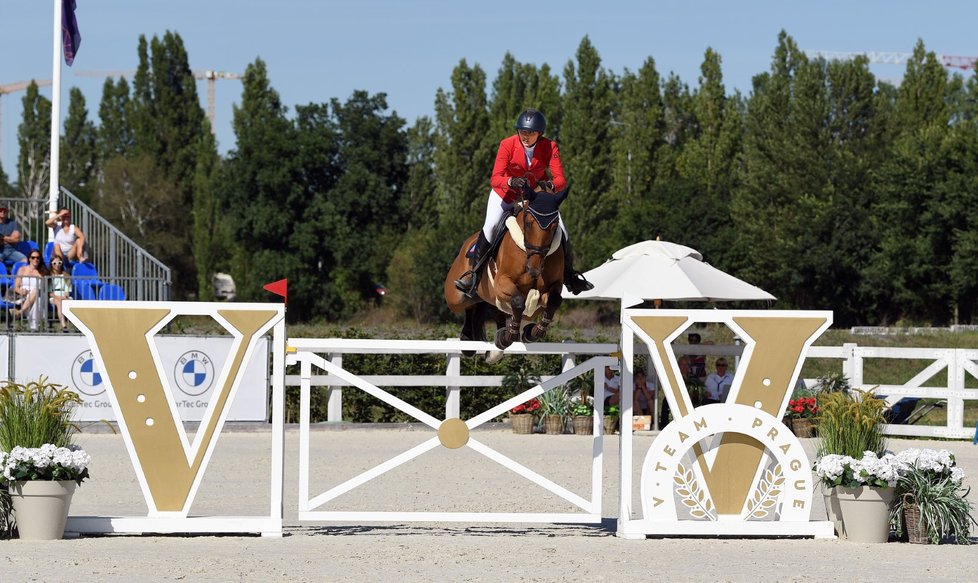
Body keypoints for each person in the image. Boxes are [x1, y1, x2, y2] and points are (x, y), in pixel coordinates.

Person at [454, 109, 593, 297]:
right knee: (491, 226)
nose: (525, 136)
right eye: (522, 132)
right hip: (505, 195)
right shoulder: (507, 144)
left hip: (534, 198)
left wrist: (550, 184)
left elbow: (561, 180)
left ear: (539, 134)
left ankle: (570, 277)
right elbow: (495, 178)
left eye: (530, 133)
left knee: (563, 231)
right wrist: (510, 181)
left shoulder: (550, 147)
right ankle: (474, 276)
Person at [9, 250, 45, 331]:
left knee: (36, 291)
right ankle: (34, 328)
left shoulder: (42, 271)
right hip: (23, 294)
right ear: (29, 259)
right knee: (37, 301)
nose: (35, 259)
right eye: (33, 257)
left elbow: (42, 287)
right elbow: (16, 286)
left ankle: (20, 312)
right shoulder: (22, 269)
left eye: (38, 258)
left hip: (39, 293)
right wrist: (21, 292)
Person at [48, 256, 72, 332]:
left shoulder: (66, 275)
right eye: (54, 263)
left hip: (64, 296)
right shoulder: (49, 276)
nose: (57, 265)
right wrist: (59, 297)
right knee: (59, 303)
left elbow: (67, 290)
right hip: (54, 297)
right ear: (51, 264)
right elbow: (50, 293)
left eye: (59, 263)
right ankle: (63, 325)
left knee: (71, 302)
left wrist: (65, 295)